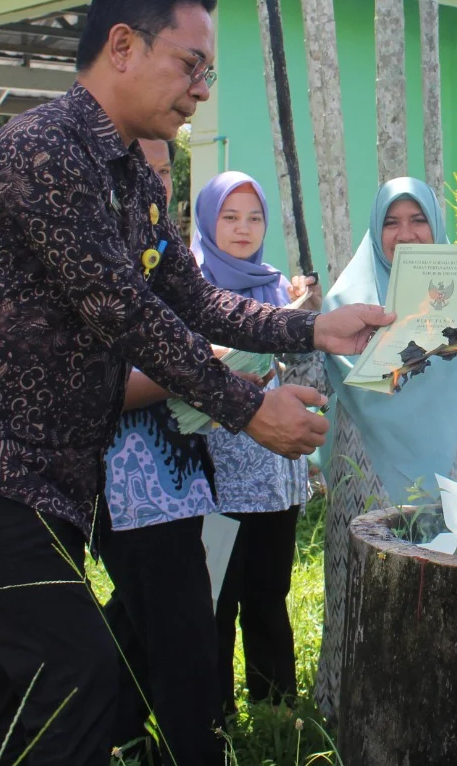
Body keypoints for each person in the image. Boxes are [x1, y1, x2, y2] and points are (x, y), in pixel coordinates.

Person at [0, 0, 390, 765]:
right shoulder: (42, 151)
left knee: (26, 694)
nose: (201, 88)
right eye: (190, 64)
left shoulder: (133, 178)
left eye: (207, 70)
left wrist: (314, 327)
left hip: (47, 476)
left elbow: (193, 299)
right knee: (76, 672)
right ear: (123, 46)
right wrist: (247, 408)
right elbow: (123, 308)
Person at [313, 177, 457, 720]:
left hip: (454, 483)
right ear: (376, 232)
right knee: (371, 594)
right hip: (368, 477)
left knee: (448, 598)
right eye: (392, 223)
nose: (406, 234)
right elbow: (325, 390)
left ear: (435, 228)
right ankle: (356, 716)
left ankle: (449, 718)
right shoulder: (346, 302)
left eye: (418, 221)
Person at [98, 138, 234, 766]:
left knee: (146, 618)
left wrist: (220, 372)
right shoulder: (95, 260)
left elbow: (205, 327)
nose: (156, 183)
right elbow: (100, 388)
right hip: (125, 483)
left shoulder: (161, 254)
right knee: (181, 636)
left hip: (178, 475)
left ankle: (117, 733)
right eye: (142, 170)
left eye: (164, 171)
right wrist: (198, 371)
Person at [191, 172, 319, 712]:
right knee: (216, 601)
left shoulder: (278, 288)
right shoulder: (191, 287)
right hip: (218, 479)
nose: (243, 229)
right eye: (230, 217)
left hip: (276, 477)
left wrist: (305, 320)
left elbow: (306, 375)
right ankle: (214, 717)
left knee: (269, 597)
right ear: (207, 221)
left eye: (254, 218)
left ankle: (276, 712)